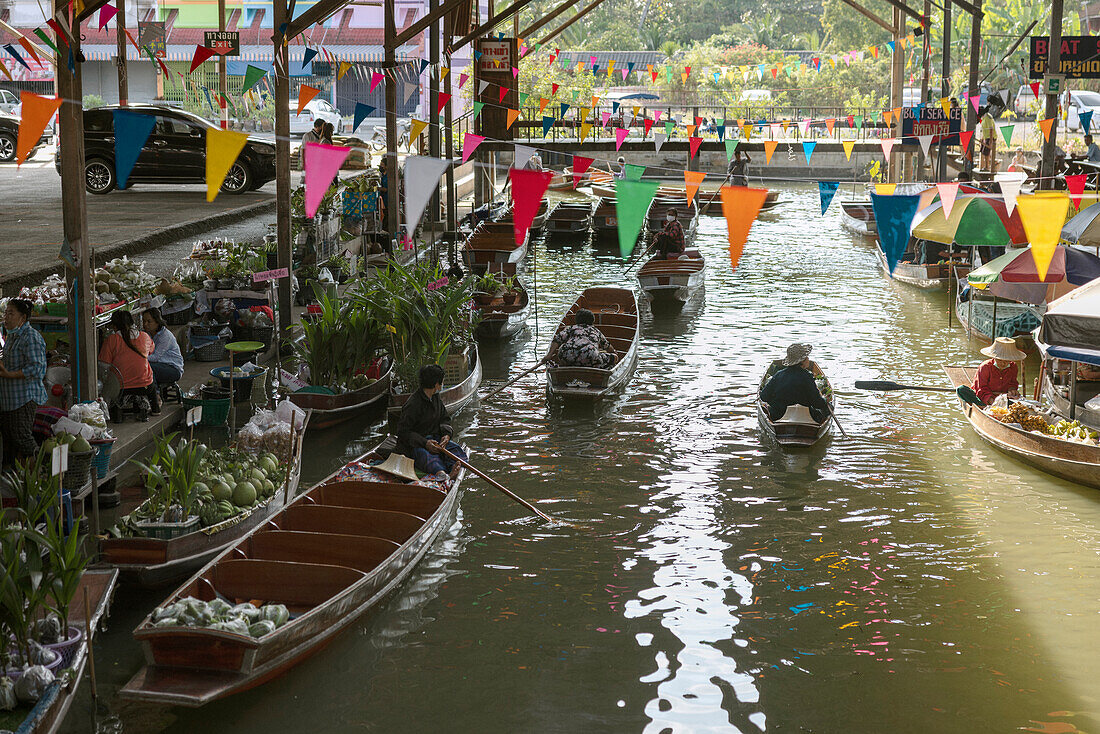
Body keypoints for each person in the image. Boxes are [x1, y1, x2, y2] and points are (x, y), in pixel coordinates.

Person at [394, 364, 467, 479]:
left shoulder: (435, 398)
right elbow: (403, 432)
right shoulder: (413, 404)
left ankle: (453, 469)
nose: (442, 384)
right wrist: (425, 443)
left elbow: (445, 419)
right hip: (416, 445)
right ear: (436, 384)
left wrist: (446, 436)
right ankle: (442, 474)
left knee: (455, 449)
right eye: (441, 382)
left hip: (436, 441)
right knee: (426, 456)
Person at [0, 299, 47, 467]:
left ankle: (41, 473)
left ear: (23, 317)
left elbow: (37, 369)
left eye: (11, 313)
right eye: (6, 313)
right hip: (9, 400)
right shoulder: (12, 336)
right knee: (10, 440)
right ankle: (14, 480)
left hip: (24, 398)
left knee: (22, 438)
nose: (6, 317)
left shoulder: (31, 337)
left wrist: (10, 374)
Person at [99, 309, 157, 419]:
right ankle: (156, 409)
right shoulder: (144, 336)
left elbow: (103, 365)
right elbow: (150, 351)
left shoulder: (112, 339)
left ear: (115, 327)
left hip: (120, 389)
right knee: (149, 376)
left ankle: (115, 413)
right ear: (132, 323)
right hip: (145, 386)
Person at [760, 343, 830, 423]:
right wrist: (824, 400)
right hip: (805, 416)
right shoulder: (807, 376)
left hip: (778, 416)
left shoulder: (779, 374)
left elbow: (763, 396)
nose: (808, 359)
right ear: (802, 361)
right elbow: (817, 403)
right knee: (827, 408)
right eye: (807, 357)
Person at [549, 309, 618, 369]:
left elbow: (558, 339)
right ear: (592, 321)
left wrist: (549, 355)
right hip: (589, 356)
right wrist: (614, 352)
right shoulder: (595, 330)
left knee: (562, 348)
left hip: (566, 355)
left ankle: (564, 368)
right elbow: (607, 346)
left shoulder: (570, 328)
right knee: (614, 357)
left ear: (576, 320)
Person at [971, 337, 1025, 405]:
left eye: (1006, 360)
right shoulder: (985, 367)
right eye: (1000, 360)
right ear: (994, 357)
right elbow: (981, 389)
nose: (1003, 363)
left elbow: (1012, 383)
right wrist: (993, 402)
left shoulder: (1013, 367)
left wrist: (1012, 390)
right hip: (986, 398)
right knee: (962, 390)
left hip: (1004, 397)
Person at [141, 308, 184, 390]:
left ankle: (155, 395)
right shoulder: (147, 334)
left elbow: (155, 357)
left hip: (173, 369)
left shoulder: (165, 336)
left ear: (157, 321)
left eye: (149, 321)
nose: (145, 324)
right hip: (160, 366)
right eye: (144, 321)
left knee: (148, 367)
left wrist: (141, 357)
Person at [979, 106, 997, 173]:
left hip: (990, 137)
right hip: (986, 137)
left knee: (986, 152)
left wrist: (991, 141)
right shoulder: (983, 118)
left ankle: (987, 167)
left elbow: (991, 129)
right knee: (983, 151)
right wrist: (982, 138)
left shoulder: (988, 118)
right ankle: (984, 166)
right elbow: (984, 129)